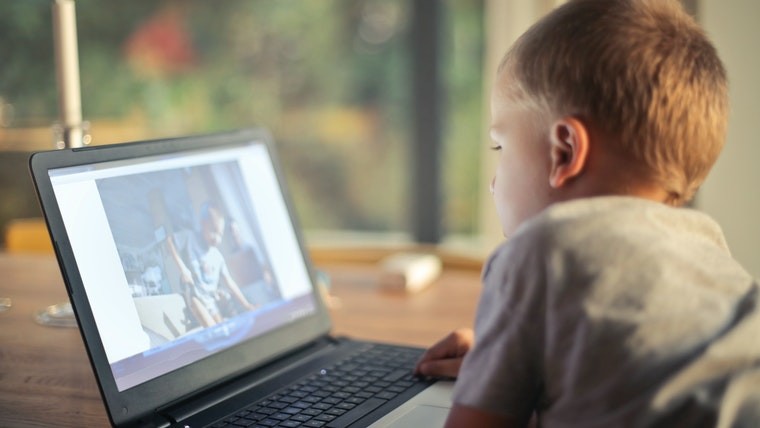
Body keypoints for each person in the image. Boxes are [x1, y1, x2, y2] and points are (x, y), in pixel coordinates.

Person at [414, 0, 760, 426]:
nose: (492, 182)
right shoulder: (713, 253)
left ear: (565, 152)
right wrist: (506, 363)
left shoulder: (541, 250)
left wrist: (487, 391)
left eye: (500, 146)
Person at [167, 202, 256, 327]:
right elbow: (170, 241)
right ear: (203, 224)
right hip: (195, 295)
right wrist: (183, 269)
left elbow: (229, 282)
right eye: (214, 231)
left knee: (223, 328)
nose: (217, 238)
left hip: (211, 300)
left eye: (220, 234)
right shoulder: (190, 237)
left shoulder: (217, 257)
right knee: (212, 327)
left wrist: (246, 305)